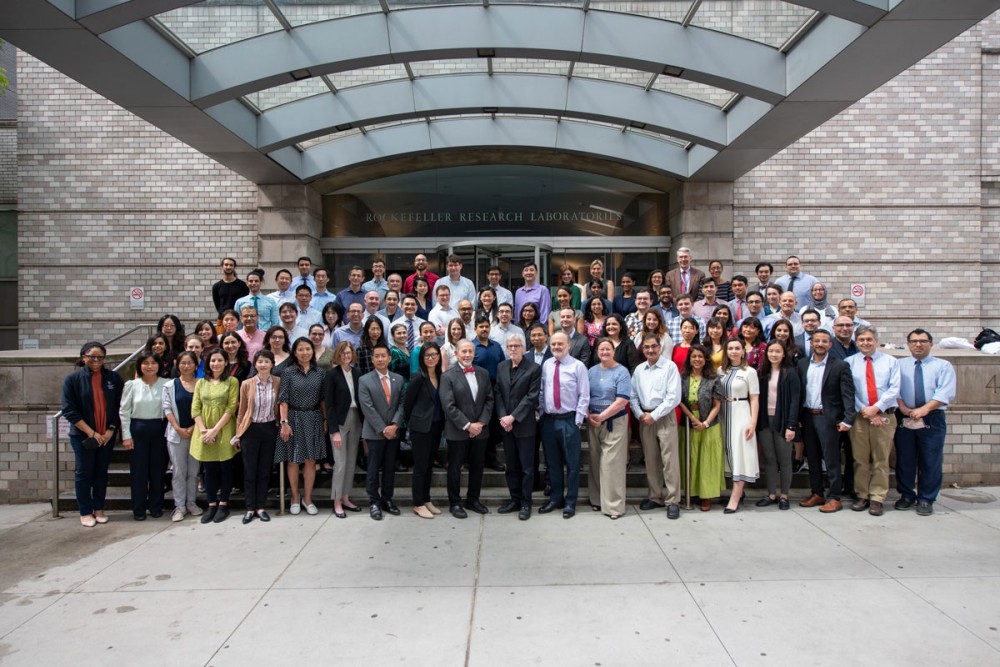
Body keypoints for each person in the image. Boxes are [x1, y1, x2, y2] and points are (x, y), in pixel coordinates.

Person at [61, 341, 125, 527]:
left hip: (106, 435)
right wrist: (92, 433)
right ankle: (85, 511)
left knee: (101, 472)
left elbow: (119, 406)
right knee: (84, 472)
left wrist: (109, 430)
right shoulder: (72, 380)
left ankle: (99, 508)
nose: (96, 360)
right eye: (92, 356)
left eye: (100, 357)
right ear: (83, 358)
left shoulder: (113, 378)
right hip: (83, 436)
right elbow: (69, 410)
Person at [894, 329, 956, 516]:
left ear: (931, 343)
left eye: (923, 341)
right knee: (905, 459)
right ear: (908, 344)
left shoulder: (943, 366)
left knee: (931, 460)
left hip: (932, 418)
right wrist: (903, 407)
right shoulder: (898, 365)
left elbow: (945, 393)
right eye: (914, 341)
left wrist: (925, 409)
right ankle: (906, 495)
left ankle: (926, 498)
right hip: (905, 416)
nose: (918, 344)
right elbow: (893, 388)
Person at [796, 329, 856, 513]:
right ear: (811, 343)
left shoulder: (839, 366)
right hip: (807, 416)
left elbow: (848, 394)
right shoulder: (802, 364)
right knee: (812, 457)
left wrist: (847, 418)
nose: (820, 344)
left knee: (831, 459)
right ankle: (817, 493)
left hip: (828, 418)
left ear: (830, 344)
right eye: (817, 341)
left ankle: (834, 497)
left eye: (824, 341)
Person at [846, 325, 900, 516]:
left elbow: (894, 389)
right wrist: (866, 410)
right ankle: (862, 495)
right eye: (861, 340)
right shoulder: (849, 362)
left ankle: (877, 497)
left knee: (881, 459)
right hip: (860, 417)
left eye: (869, 339)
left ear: (876, 341)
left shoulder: (891, 362)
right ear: (856, 342)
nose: (865, 343)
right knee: (860, 459)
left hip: (884, 416)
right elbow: (849, 391)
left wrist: (876, 409)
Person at [440, 339, 495, 519]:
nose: (467, 355)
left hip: (480, 430)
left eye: (470, 351)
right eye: (463, 351)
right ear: (456, 354)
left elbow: (489, 400)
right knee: (455, 467)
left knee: (477, 467)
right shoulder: (448, 376)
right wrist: (467, 425)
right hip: (458, 431)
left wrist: (481, 423)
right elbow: (449, 406)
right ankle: (455, 502)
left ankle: (473, 499)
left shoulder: (483, 373)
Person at [630, 334, 683, 519]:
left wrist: (654, 415)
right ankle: (655, 496)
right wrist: (640, 414)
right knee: (651, 460)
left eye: (653, 346)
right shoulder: (639, 370)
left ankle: (673, 500)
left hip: (664, 416)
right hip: (645, 418)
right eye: (646, 347)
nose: (650, 350)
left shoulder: (669, 367)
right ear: (642, 349)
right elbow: (633, 396)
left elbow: (673, 397)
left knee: (669, 460)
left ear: (659, 347)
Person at [539, 332, 590, 518]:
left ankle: (571, 501)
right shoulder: (546, 365)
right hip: (549, 421)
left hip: (569, 420)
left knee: (573, 464)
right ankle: (556, 498)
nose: (556, 347)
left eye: (560, 343)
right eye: (553, 344)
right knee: (552, 463)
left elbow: (584, 395)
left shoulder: (578, 366)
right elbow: (543, 389)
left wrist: (577, 421)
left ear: (569, 345)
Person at [276, 337, 327, 517]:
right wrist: (284, 423)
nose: (305, 353)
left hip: (313, 417)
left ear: (313, 352)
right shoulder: (288, 372)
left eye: (308, 349)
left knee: (311, 460)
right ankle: (295, 497)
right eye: (301, 349)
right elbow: (283, 399)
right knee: (293, 460)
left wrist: (325, 419)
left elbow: (322, 399)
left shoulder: (319, 372)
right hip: (293, 418)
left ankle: (308, 498)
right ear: (295, 352)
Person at [495, 334, 542, 520]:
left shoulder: (534, 369)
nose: (513, 349)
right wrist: (502, 417)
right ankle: (514, 499)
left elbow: (531, 397)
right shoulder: (501, 367)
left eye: (516, 346)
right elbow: (498, 392)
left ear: (524, 348)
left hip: (524, 425)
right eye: (510, 346)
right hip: (506, 426)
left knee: (527, 467)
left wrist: (512, 417)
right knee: (511, 465)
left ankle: (526, 502)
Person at [357, 343, 405, 520]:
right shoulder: (364, 380)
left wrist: (394, 425)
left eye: (383, 356)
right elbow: (367, 407)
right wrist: (382, 428)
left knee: (390, 468)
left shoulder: (398, 379)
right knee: (373, 468)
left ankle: (387, 499)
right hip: (374, 432)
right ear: (372, 359)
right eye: (376, 356)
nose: (380, 359)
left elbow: (401, 403)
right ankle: (374, 502)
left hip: (394, 431)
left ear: (389, 358)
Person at [191, 349, 239, 523]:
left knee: (226, 468)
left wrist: (215, 430)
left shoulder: (232, 381)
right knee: (209, 469)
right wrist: (204, 430)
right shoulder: (201, 383)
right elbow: (195, 408)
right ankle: (211, 504)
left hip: (224, 429)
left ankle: (224, 504)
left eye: (219, 360)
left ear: (226, 362)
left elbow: (231, 407)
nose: (216, 364)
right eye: (212, 361)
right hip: (203, 430)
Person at [586, 337, 632, 519]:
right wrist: (589, 414)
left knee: (611, 464)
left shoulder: (622, 372)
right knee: (596, 461)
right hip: (593, 421)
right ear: (597, 352)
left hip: (615, 421)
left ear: (613, 351)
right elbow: (584, 394)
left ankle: (614, 506)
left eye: (608, 349)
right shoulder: (591, 371)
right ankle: (597, 500)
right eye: (601, 349)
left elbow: (622, 400)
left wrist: (602, 416)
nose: (604, 352)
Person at [120, 351, 169, 521]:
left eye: (153, 363)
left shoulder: (167, 384)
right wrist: (126, 435)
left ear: (159, 366)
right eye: (145, 363)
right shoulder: (131, 385)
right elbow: (124, 411)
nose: (149, 366)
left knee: (158, 471)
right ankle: (139, 509)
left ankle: (156, 507)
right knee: (139, 472)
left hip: (159, 429)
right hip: (138, 429)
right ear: (140, 366)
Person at [232, 350, 280, 524]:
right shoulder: (246, 384)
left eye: (267, 361)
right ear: (255, 364)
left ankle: (261, 507)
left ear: (272, 364)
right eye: (260, 361)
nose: (263, 365)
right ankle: (250, 508)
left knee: (264, 471)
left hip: (269, 429)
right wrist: (238, 434)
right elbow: (242, 411)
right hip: (250, 431)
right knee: (250, 471)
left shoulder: (278, 382)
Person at [754, 341, 802, 511]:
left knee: (784, 459)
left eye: (777, 351)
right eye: (771, 351)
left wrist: (791, 425)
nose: (774, 354)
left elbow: (796, 400)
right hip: (765, 420)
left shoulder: (790, 373)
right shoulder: (763, 373)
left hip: (783, 421)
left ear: (784, 354)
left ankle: (784, 495)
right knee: (769, 458)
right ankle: (771, 494)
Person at [677, 344, 723, 512]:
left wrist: (705, 423)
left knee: (707, 461)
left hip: (709, 425)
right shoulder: (682, 377)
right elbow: (679, 400)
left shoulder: (713, 378)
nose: (697, 359)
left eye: (700, 357)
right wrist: (692, 418)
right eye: (694, 356)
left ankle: (706, 496)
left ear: (706, 360)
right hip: (688, 423)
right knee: (689, 459)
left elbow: (717, 404)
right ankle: (690, 492)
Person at [404, 342, 446, 519]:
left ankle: (426, 499)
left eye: (434, 354)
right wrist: (413, 423)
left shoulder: (441, 376)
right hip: (421, 428)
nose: (431, 358)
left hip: (436, 426)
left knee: (429, 465)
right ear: (422, 358)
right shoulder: (418, 377)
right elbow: (407, 404)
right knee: (420, 467)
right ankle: (418, 503)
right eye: (427, 355)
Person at [717, 339, 760, 513]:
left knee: (740, 451)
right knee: (727, 451)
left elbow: (755, 398)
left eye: (737, 348)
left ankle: (735, 498)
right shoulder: (721, 370)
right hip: (724, 412)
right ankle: (736, 492)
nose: (734, 351)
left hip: (741, 411)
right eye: (730, 348)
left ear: (743, 351)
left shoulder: (749, 372)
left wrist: (753, 422)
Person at [324, 342, 364, 518]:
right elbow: (329, 405)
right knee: (340, 463)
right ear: (338, 355)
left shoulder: (357, 373)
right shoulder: (332, 375)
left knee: (351, 461)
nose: (346, 356)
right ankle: (336, 501)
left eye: (348, 353)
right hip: (340, 421)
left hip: (356, 418)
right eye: (343, 353)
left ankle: (346, 497)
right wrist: (334, 431)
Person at [163, 351, 201, 522]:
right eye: (183, 363)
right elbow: (167, 409)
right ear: (177, 365)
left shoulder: (201, 384)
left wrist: (194, 427)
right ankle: (180, 506)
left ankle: (191, 503)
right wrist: (178, 428)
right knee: (178, 471)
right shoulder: (170, 386)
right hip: (176, 434)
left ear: (195, 365)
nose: (186, 366)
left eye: (190, 363)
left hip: (195, 433)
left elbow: (204, 408)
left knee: (193, 471)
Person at [515, 261, 551, 327]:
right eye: (526, 270)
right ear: (523, 273)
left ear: (536, 273)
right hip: (521, 328)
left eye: (531, 270)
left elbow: (545, 312)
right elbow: (517, 313)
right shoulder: (518, 292)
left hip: (536, 328)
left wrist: (542, 329)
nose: (529, 272)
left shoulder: (543, 290)